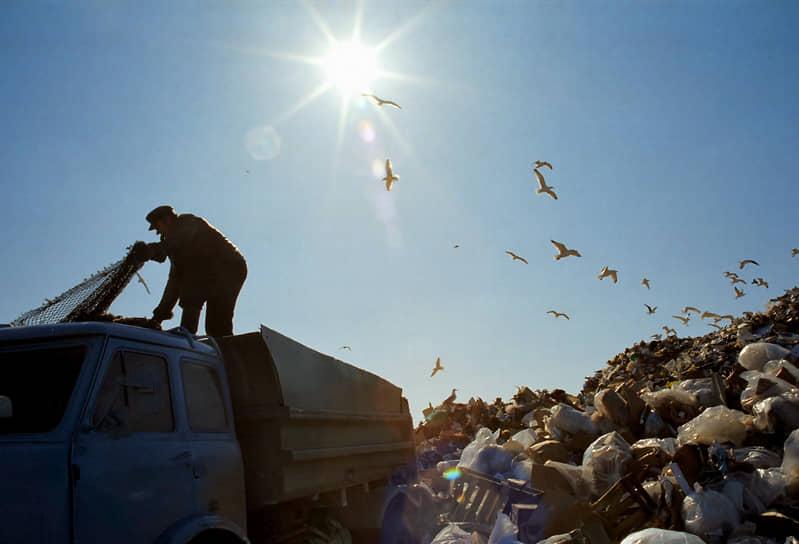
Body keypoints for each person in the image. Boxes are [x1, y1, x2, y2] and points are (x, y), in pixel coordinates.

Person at [132, 206, 247, 337]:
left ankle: (189, 333)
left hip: (230, 268)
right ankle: (188, 333)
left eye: (158, 228)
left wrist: (153, 250)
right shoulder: (175, 249)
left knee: (216, 324)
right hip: (208, 272)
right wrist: (159, 316)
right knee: (193, 293)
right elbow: (174, 283)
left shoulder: (189, 223)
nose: (158, 233)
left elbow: (179, 240)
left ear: (167, 220)